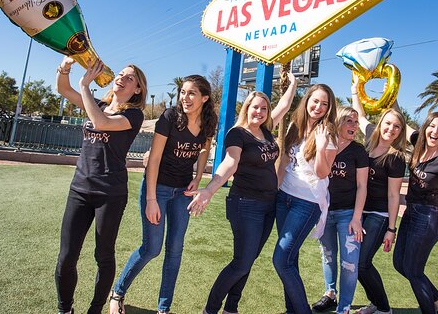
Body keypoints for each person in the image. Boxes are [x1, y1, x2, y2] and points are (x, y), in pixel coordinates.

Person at [188, 72, 297, 314]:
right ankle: (210, 310)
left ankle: (231, 308)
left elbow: (284, 105)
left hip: (269, 205)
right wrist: (209, 189)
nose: (259, 112)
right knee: (241, 263)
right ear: (247, 108)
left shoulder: (266, 131)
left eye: (264, 109)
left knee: (248, 261)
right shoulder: (237, 134)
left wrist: (294, 84)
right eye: (255, 107)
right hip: (246, 205)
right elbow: (230, 162)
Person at [110, 75, 217, 314]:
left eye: (191, 93)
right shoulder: (170, 117)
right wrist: (151, 200)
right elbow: (154, 159)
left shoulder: (209, 121)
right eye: (183, 92)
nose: (185, 98)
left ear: (204, 98)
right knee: (152, 248)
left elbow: (204, 149)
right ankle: (117, 292)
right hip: (157, 188)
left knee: (175, 250)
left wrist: (198, 177)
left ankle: (164, 308)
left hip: (183, 193)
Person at [54, 57, 147, 314]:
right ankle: (65, 309)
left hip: (110, 194)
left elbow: (101, 123)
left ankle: (95, 309)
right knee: (66, 257)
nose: (122, 78)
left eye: (130, 78)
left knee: (103, 255)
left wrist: (85, 85)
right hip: (80, 189)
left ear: (137, 89)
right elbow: (63, 89)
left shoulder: (133, 115)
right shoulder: (98, 104)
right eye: (121, 74)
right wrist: (65, 67)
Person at [273, 84, 338, 314]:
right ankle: (291, 310)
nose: (318, 107)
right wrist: (275, 189)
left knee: (281, 260)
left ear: (329, 108)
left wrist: (320, 148)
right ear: (307, 100)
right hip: (284, 198)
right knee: (290, 260)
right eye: (315, 101)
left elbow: (322, 173)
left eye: (324, 104)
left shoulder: (327, 134)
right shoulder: (295, 125)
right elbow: (284, 161)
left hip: (307, 203)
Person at [347, 78, 407, 314]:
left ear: (400, 131)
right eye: (388, 123)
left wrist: (391, 229)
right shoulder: (370, 137)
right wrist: (355, 91)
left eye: (397, 127)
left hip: (378, 215)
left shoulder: (396, 157)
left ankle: (383, 307)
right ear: (381, 123)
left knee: (362, 263)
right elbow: (360, 115)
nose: (391, 129)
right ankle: (375, 302)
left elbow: (394, 195)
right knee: (355, 262)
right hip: (358, 211)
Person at [393, 112, 438, 314]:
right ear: (425, 128)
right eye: (432, 126)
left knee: (413, 270)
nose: (435, 131)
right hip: (411, 212)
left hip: (430, 217)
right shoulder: (418, 143)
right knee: (399, 264)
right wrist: (391, 93)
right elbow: (400, 117)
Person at [311, 107, 368, 314]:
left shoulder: (358, 151)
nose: (354, 125)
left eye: (356, 122)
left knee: (349, 263)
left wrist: (356, 218)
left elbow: (362, 186)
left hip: (348, 214)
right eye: (349, 121)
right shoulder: (325, 144)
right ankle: (330, 294)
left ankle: (343, 308)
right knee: (327, 255)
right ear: (338, 122)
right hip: (324, 212)